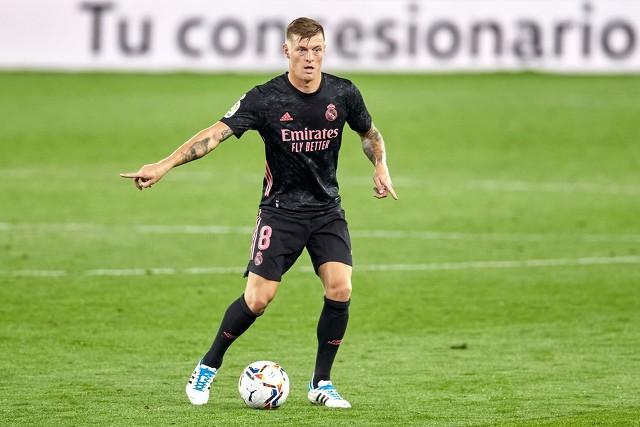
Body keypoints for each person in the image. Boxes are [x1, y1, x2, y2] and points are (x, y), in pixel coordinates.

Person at [120, 17, 397, 409]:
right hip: (280, 213)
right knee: (258, 299)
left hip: (326, 211)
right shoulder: (265, 99)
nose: (310, 58)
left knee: (341, 288)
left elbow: (369, 134)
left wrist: (380, 165)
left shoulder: (343, 93)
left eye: (317, 49)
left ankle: (321, 382)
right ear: (287, 51)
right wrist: (164, 165)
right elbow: (214, 134)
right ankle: (207, 365)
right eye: (302, 50)